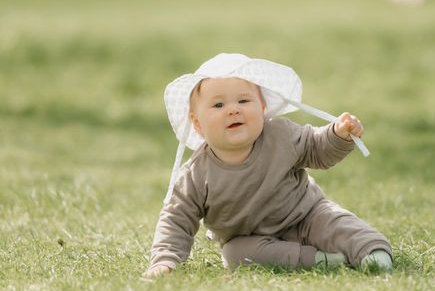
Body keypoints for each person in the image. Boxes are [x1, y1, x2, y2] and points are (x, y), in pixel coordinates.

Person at [142, 53, 393, 278]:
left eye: (243, 101)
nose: (232, 110)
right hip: (250, 239)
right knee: (235, 255)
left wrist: (338, 135)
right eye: (219, 105)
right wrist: (165, 260)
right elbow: (176, 219)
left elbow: (316, 148)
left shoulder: (280, 135)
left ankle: (372, 252)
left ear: (262, 108)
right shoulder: (196, 174)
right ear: (197, 124)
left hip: (306, 214)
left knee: (338, 224)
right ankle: (319, 261)